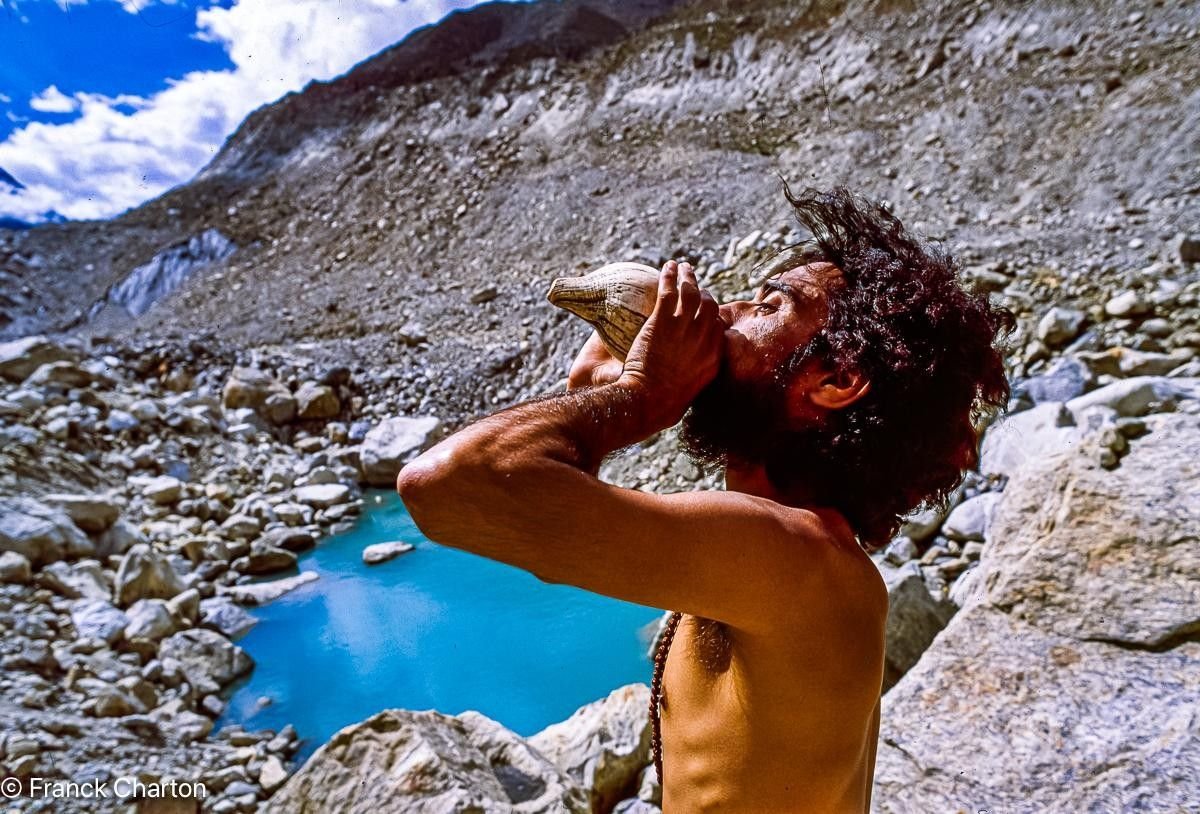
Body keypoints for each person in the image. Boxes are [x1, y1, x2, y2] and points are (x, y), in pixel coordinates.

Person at [396, 186, 1014, 812]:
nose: (729, 309)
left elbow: (447, 486)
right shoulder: (783, 554)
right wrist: (591, 398)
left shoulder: (796, 560)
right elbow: (523, 498)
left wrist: (635, 400)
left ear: (835, 381)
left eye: (770, 304)